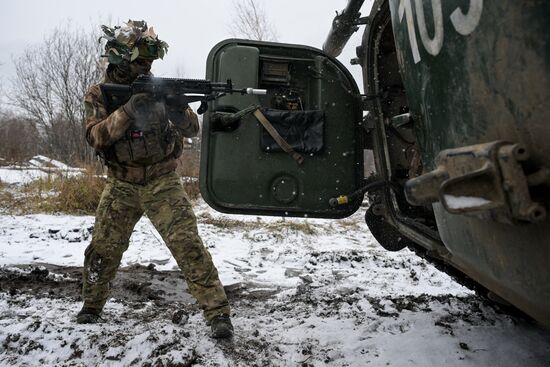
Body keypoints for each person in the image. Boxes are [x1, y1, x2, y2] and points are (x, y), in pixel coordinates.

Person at [78, 20, 233, 339]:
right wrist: (129, 111)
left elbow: (193, 129)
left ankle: (217, 313)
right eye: (140, 61)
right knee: (103, 250)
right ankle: (91, 307)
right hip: (121, 184)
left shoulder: (158, 86)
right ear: (120, 59)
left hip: (162, 182)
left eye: (150, 61)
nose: (147, 67)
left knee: (189, 246)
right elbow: (95, 137)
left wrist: (176, 108)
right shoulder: (100, 94)